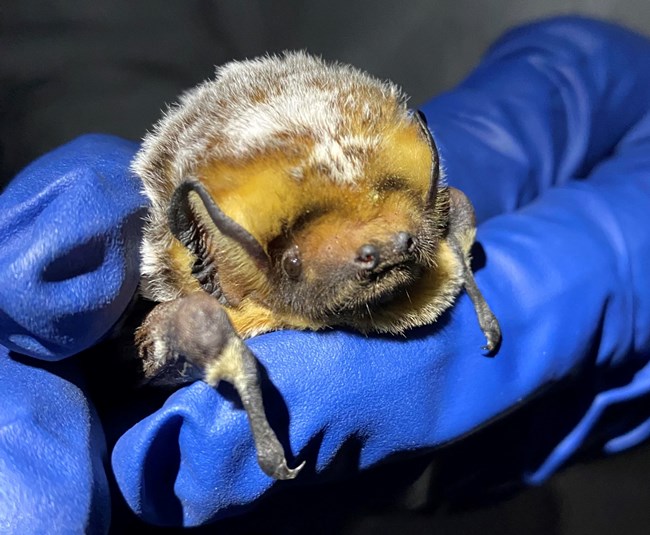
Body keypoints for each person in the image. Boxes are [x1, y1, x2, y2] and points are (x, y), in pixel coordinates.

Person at [1, 16, 650, 533]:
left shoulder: (423, 213)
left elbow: (447, 208)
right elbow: (81, 37)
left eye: (397, 235)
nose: (378, 254)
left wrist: (474, 285)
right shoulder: (216, 290)